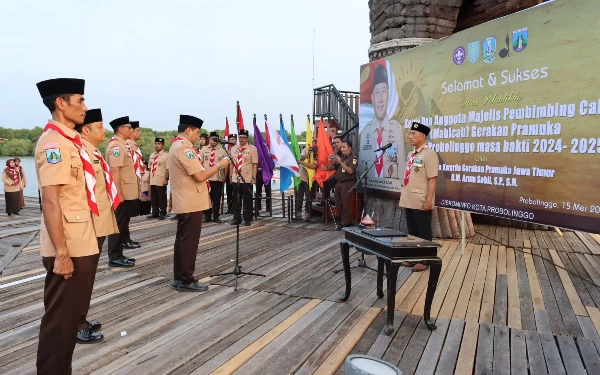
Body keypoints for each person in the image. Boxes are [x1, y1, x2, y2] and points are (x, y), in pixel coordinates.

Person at [34, 77, 99, 373]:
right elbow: (50, 201)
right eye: (80, 100)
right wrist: (61, 253)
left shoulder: (70, 140)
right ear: (61, 103)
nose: (85, 107)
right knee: (60, 324)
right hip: (68, 246)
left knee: (68, 321)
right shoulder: (53, 143)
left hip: (80, 240)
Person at [169, 115, 231, 291]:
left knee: (182, 240)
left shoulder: (176, 146)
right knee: (189, 242)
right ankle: (186, 279)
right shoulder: (184, 149)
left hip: (185, 200)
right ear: (188, 130)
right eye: (196, 132)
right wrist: (220, 165)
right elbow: (200, 176)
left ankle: (179, 277)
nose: (198, 136)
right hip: (190, 201)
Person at [74, 108, 119, 344]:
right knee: (81, 276)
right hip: (87, 223)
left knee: (88, 275)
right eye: (100, 127)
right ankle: (75, 323)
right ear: (86, 129)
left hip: (98, 221)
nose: (104, 131)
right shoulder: (78, 152)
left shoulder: (92, 152)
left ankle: (80, 316)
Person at [399, 122, 438, 272]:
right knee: (412, 231)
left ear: (422, 135)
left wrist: (429, 200)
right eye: (410, 134)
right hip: (409, 198)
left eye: (413, 134)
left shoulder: (430, 154)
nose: (410, 136)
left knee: (424, 232)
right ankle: (413, 257)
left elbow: (432, 179)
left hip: (421, 200)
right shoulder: (411, 154)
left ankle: (426, 260)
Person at [359, 64, 404, 181]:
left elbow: (401, 170)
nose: (380, 99)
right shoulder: (366, 132)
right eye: (377, 92)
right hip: (372, 185)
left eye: (384, 91)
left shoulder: (397, 130)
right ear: (372, 98)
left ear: (388, 95)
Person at [105, 116, 139, 267]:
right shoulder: (116, 147)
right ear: (121, 129)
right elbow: (115, 171)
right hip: (122, 191)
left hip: (127, 190)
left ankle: (119, 254)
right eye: (129, 127)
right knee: (118, 224)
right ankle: (114, 256)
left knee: (122, 223)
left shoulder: (123, 145)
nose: (131, 130)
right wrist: (118, 192)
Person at [229, 129, 258, 226]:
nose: (242, 139)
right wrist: (230, 175)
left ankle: (247, 218)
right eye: (240, 137)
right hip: (235, 177)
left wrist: (253, 177)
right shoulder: (234, 149)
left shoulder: (252, 149)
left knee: (247, 199)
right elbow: (231, 164)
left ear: (247, 138)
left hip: (247, 177)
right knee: (236, 199)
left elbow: (254, 164)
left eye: (244, 137)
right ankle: (236, 218)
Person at [201, 132, 227, 223]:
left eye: (216, 139)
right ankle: (206, 215)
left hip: (217, 178)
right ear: (209, 139)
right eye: (212, 139)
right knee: (206, 198)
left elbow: (225, 165)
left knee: (216, 198)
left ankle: (216, 216)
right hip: (206, 179)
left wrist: (224, 176)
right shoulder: (204, 149)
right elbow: (200, 163)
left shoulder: (222, 150)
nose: (214, 141)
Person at [333, 140, 358, 230]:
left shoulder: (353, 159)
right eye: (341, 147)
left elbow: (350, 171)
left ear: (349, 148)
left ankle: (345, 223)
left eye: (344, 147)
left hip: (347, 183)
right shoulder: (341, 157)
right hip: (338, 183)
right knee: (338, 203)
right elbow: (333, 167)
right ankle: (345, 220)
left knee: (345, 204)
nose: (341, 148)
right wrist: (330, 161)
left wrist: (341, 163)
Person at [147, 137, 169, 219]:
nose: (157, 145)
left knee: (162, 197)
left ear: (163, 145)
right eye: (156, 144)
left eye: (159, 144)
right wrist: (149, 179)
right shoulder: (152, 155)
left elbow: (168, 168)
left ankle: (163, 212)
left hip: (161, 179)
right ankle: (154, 212)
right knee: (154, 197)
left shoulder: (166, 155)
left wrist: (166, 179)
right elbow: (150, 168)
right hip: (153, 179)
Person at [296, 145, 318, 220]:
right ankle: (298, 211)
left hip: (310, 178)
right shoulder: (306, 149)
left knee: (308, 196)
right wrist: (307, 154)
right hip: (302, 176)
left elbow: (313, 166)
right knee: (299, 195)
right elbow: (300, 158)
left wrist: (302, 162)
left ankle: (308, 212)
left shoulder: (318, 153)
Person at [127, 120, 144, 218]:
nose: (140, 133)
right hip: (130, 184)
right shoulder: (129, 145)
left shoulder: (133, 145)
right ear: (132, 132)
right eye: (138, 130)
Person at [224, 133, 237, 213]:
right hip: (228, 173)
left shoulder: (238, 149)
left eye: (233, 139)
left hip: (236, 173)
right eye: (230, 139)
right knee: (229, 192)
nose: (232, 141)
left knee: (236, 192)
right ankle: (229, 208)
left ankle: (236, 208)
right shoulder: (226, 150)